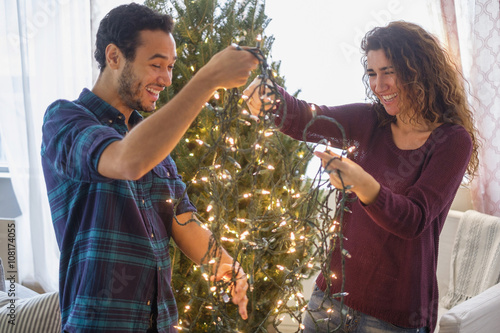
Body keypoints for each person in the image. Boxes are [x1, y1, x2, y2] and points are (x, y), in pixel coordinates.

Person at [244, 21, 479, 333]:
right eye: (372, 73)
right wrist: (270, 95)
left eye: (389, 71)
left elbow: (414, 219)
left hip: (394, 316)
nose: (378, 84)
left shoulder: (452, 140)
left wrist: (362, 183)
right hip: (329, 299)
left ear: (419, 71)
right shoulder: (368, 120)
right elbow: (304, 119)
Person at [41, 3, 258, 333]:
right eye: (157, 65)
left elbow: (183, 221)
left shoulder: (155, 144)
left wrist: (228, 266)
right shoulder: (65, 120)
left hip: (160, 323)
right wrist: (208, 79)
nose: (166, 79)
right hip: (99, 323)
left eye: (171, 67)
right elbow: (127, 160)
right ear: (114, 57)